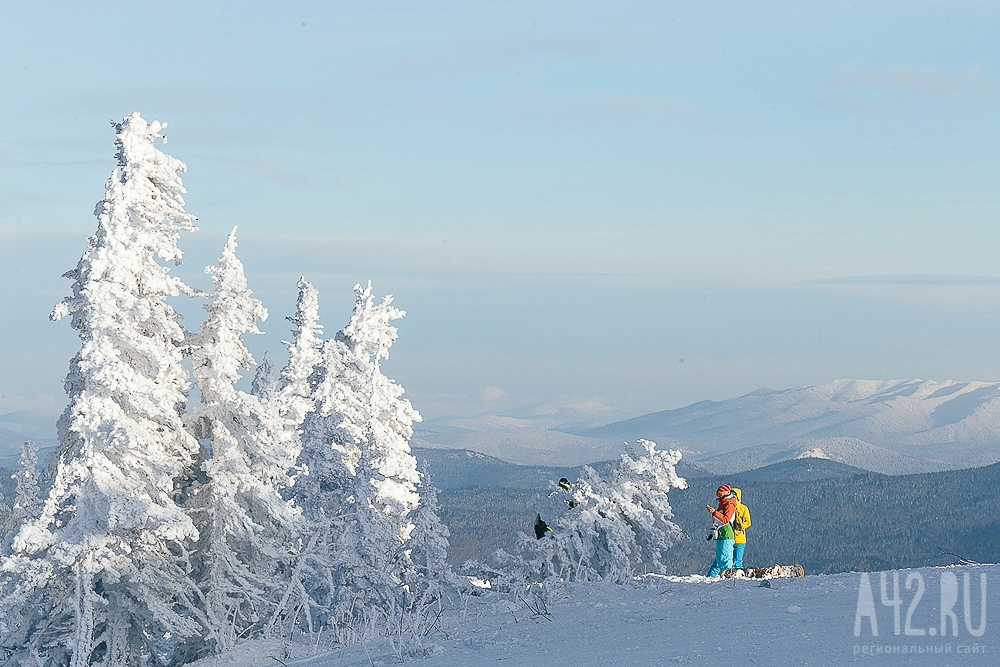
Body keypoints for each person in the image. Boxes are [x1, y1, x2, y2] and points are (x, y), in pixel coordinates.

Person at [705, 484, 737, 577]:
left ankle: (729, 577)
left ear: (726, 493)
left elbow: (726, 519)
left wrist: (714, 512)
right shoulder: (723, 504)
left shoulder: (729, 504)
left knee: (725, 558)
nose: (718, 496)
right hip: (721, 533)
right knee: (720, 559)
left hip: (726, 534)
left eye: (719, 493)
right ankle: (724, 576)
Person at [731, 487, 751, 570]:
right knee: (728, 560)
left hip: (739, 538)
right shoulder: (728, 507)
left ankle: (738, 576)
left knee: (737, 560)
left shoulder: (743, 508)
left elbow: (748, 522)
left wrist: (740, 526)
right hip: (730, 538)